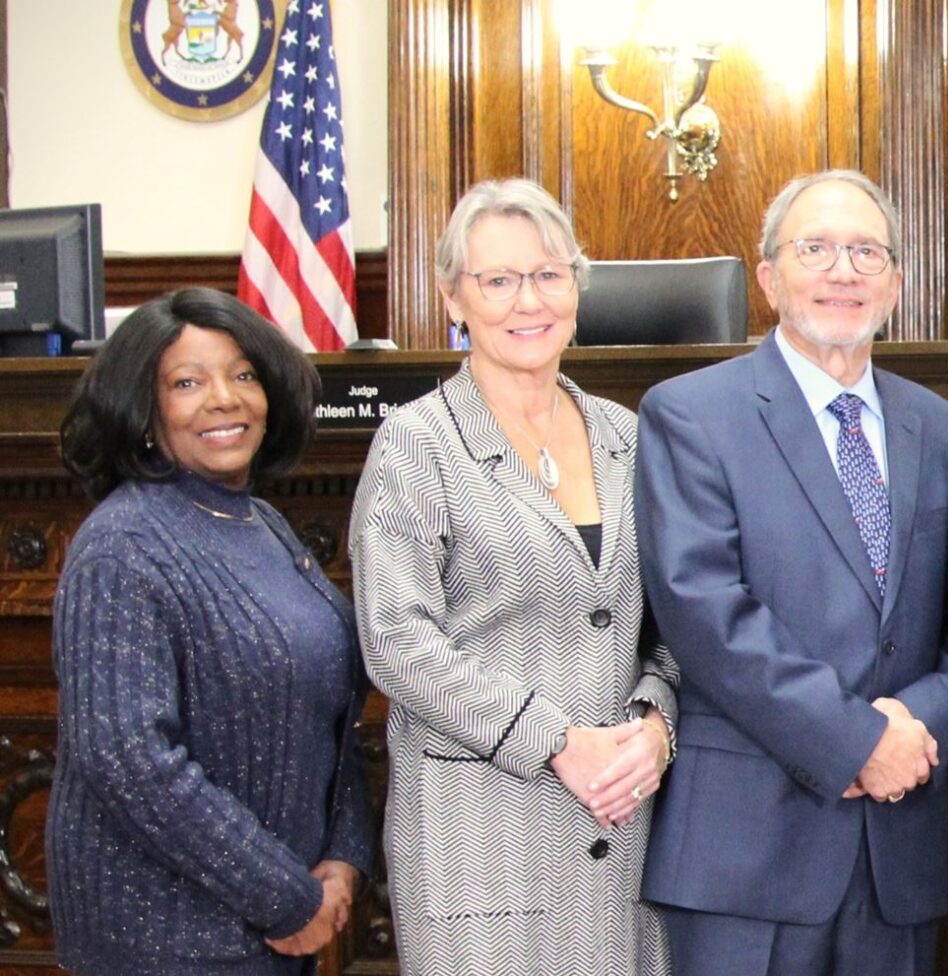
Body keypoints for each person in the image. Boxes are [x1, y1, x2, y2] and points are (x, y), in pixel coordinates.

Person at [638, 169, 948, 976]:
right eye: (815, 248)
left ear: (895, 279)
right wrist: (859, 741)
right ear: (768, 277)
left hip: (897, 846)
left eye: (866, 252)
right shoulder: (690, 414)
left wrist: (920, 731)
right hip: (747, 854)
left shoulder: (945, 429)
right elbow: (706, 614)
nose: (843, 271)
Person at [351, 178, 678, 974]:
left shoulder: (628, 436)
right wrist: (558, 742)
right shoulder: (415, 444)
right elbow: (397, 642)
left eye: (548, 274)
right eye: (497, 280)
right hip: (482, 835)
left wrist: (657, 725)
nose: (526, 300)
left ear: (576, 287)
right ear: (453, 298)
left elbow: (672, 625)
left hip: (626, 824)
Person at [49, 287, 373, 975]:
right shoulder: (122, 545)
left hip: (274, 935)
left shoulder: (261, 524)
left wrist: (344, 857)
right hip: (164, 945)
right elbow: (129, 759)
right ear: (143, 411)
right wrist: (285, 897)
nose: (224, 398)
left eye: (244, 374)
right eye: (187, 382)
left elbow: (330, 713)